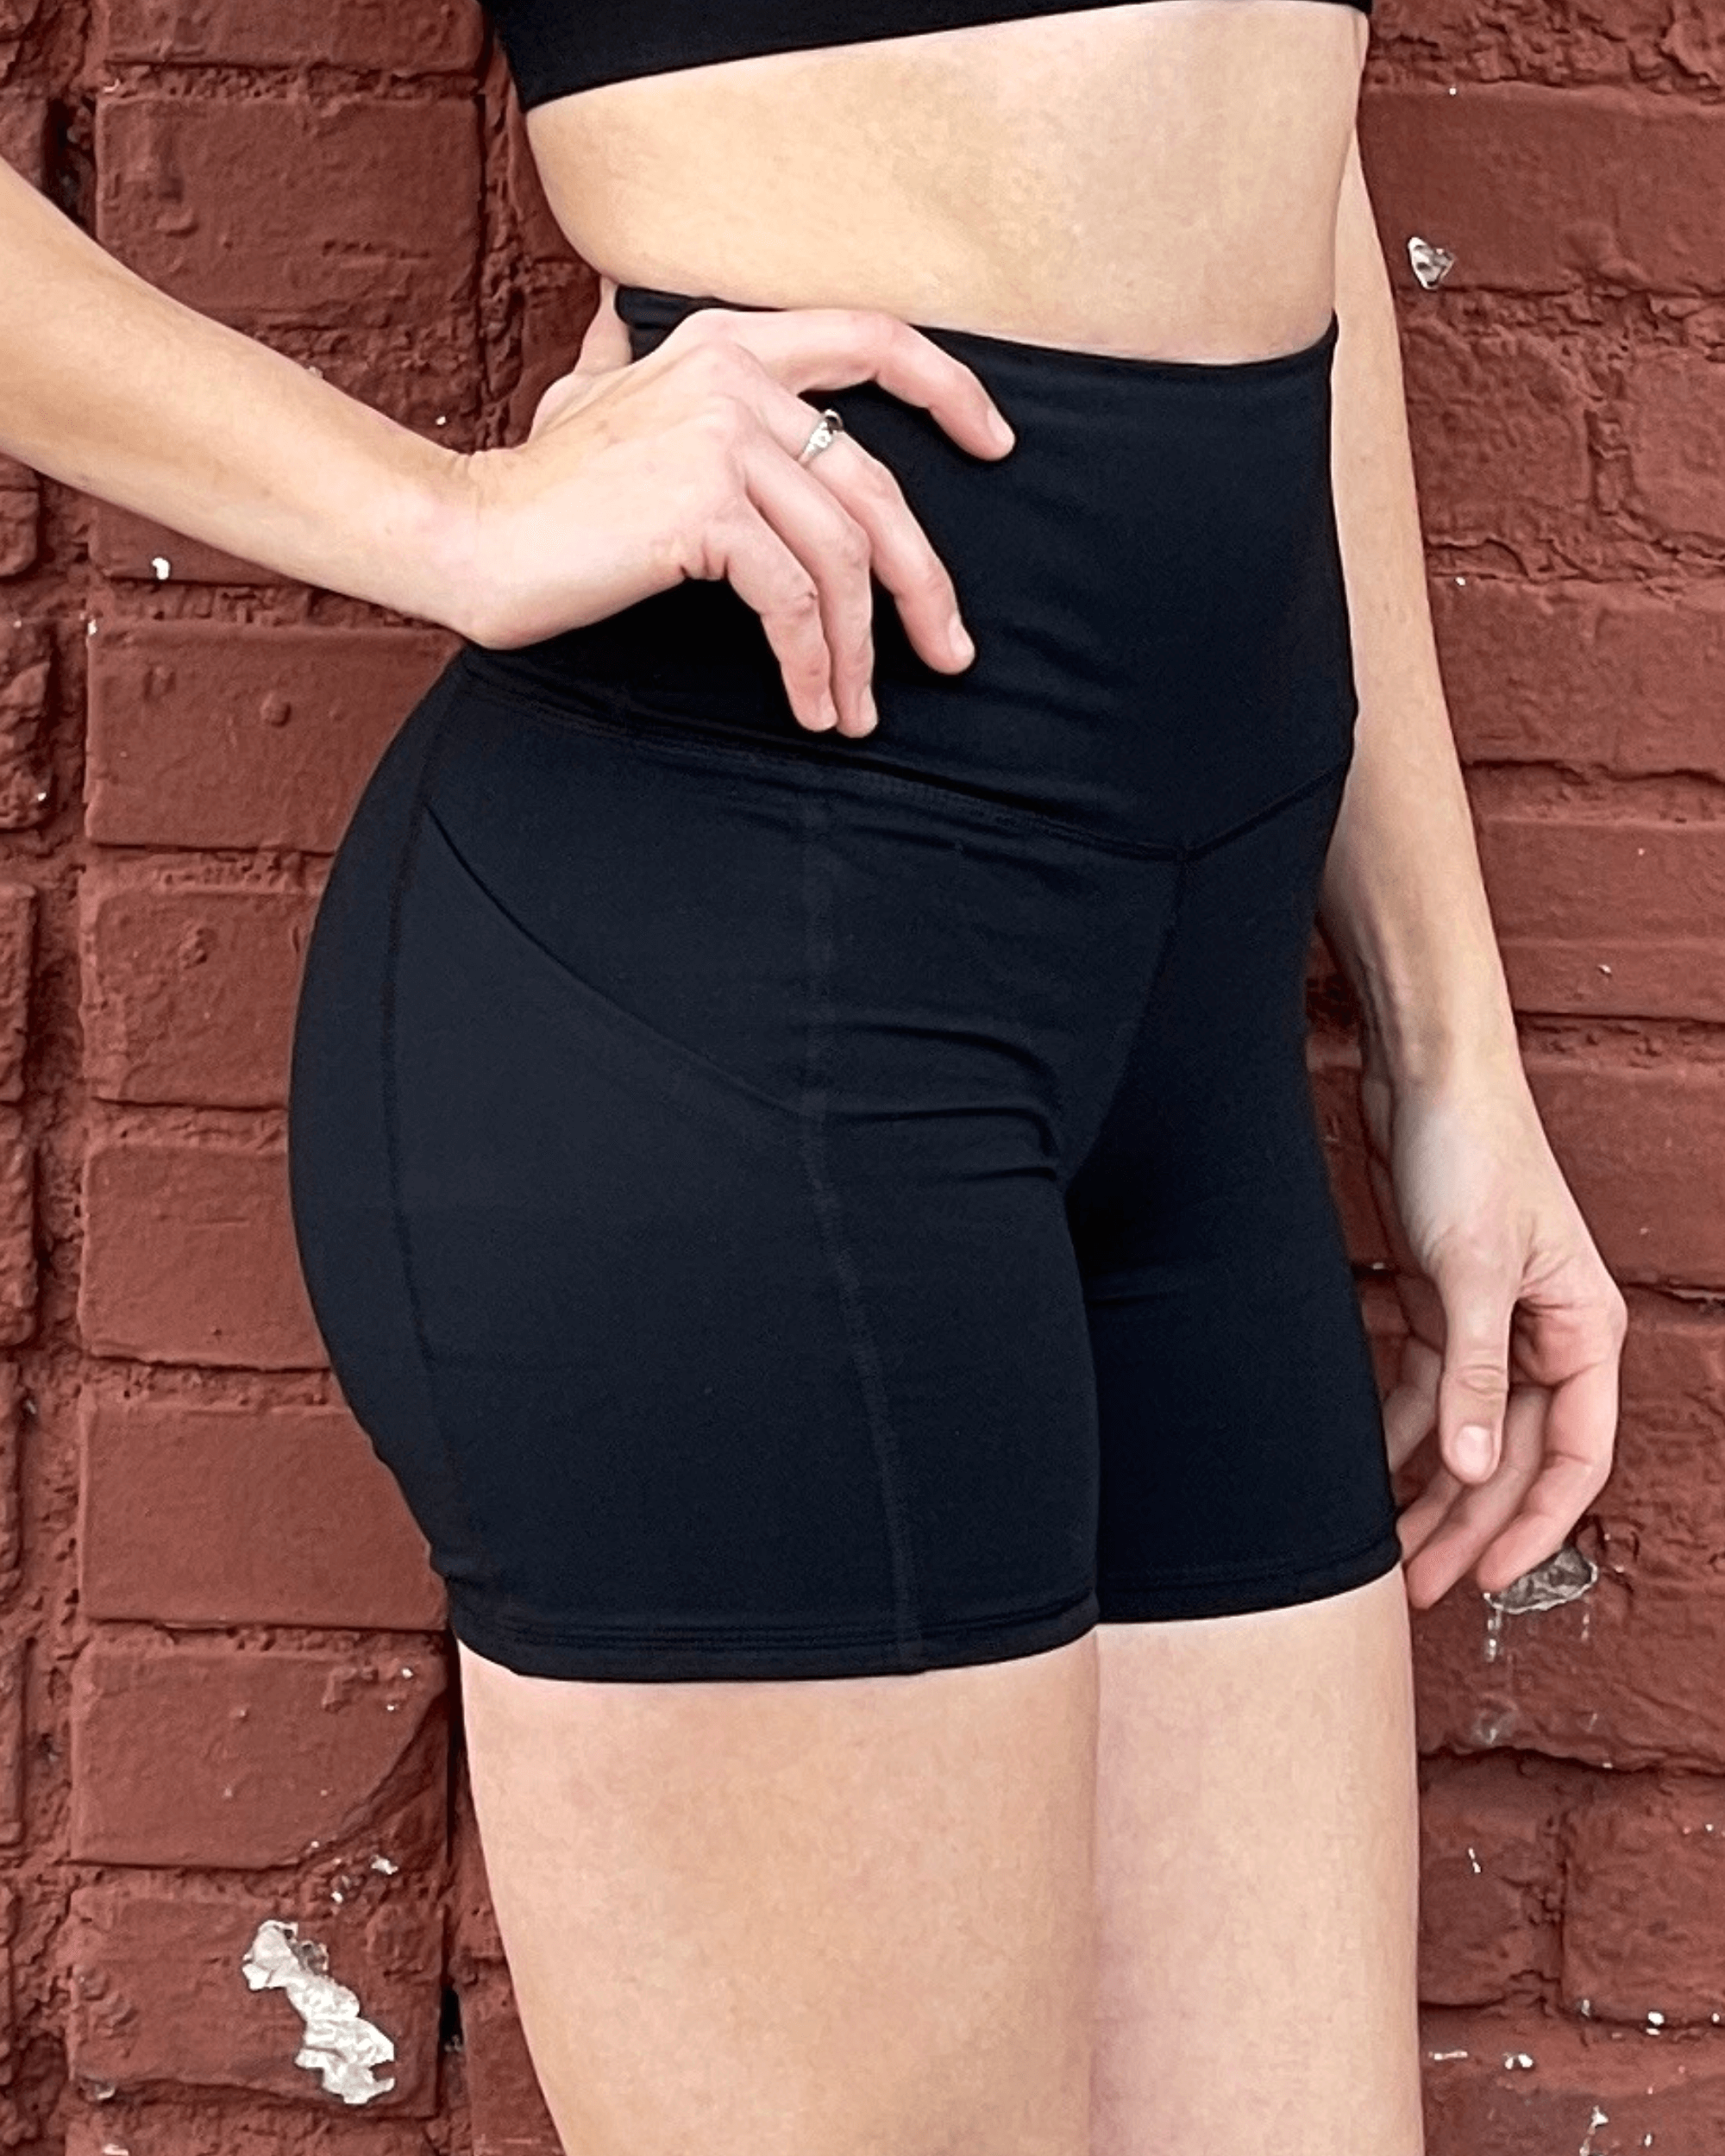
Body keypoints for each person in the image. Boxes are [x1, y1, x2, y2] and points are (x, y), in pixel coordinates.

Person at [1, 1, 1628, 2147]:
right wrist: (446, 518)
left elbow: (1269, 157)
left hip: (1197, 1058)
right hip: (734, 1000)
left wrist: (1444, 1045)